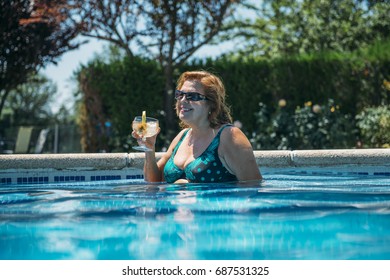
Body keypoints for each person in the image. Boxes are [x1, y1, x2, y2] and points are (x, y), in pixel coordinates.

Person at [133, 70, 262, 184]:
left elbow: (252, 188)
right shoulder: (182, 136)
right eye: (180, 95)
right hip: (176, 210)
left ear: (211, 104)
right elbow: (154, 182)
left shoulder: (229, 136)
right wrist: (149, 149)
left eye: (192, 96)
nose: (183, 100)